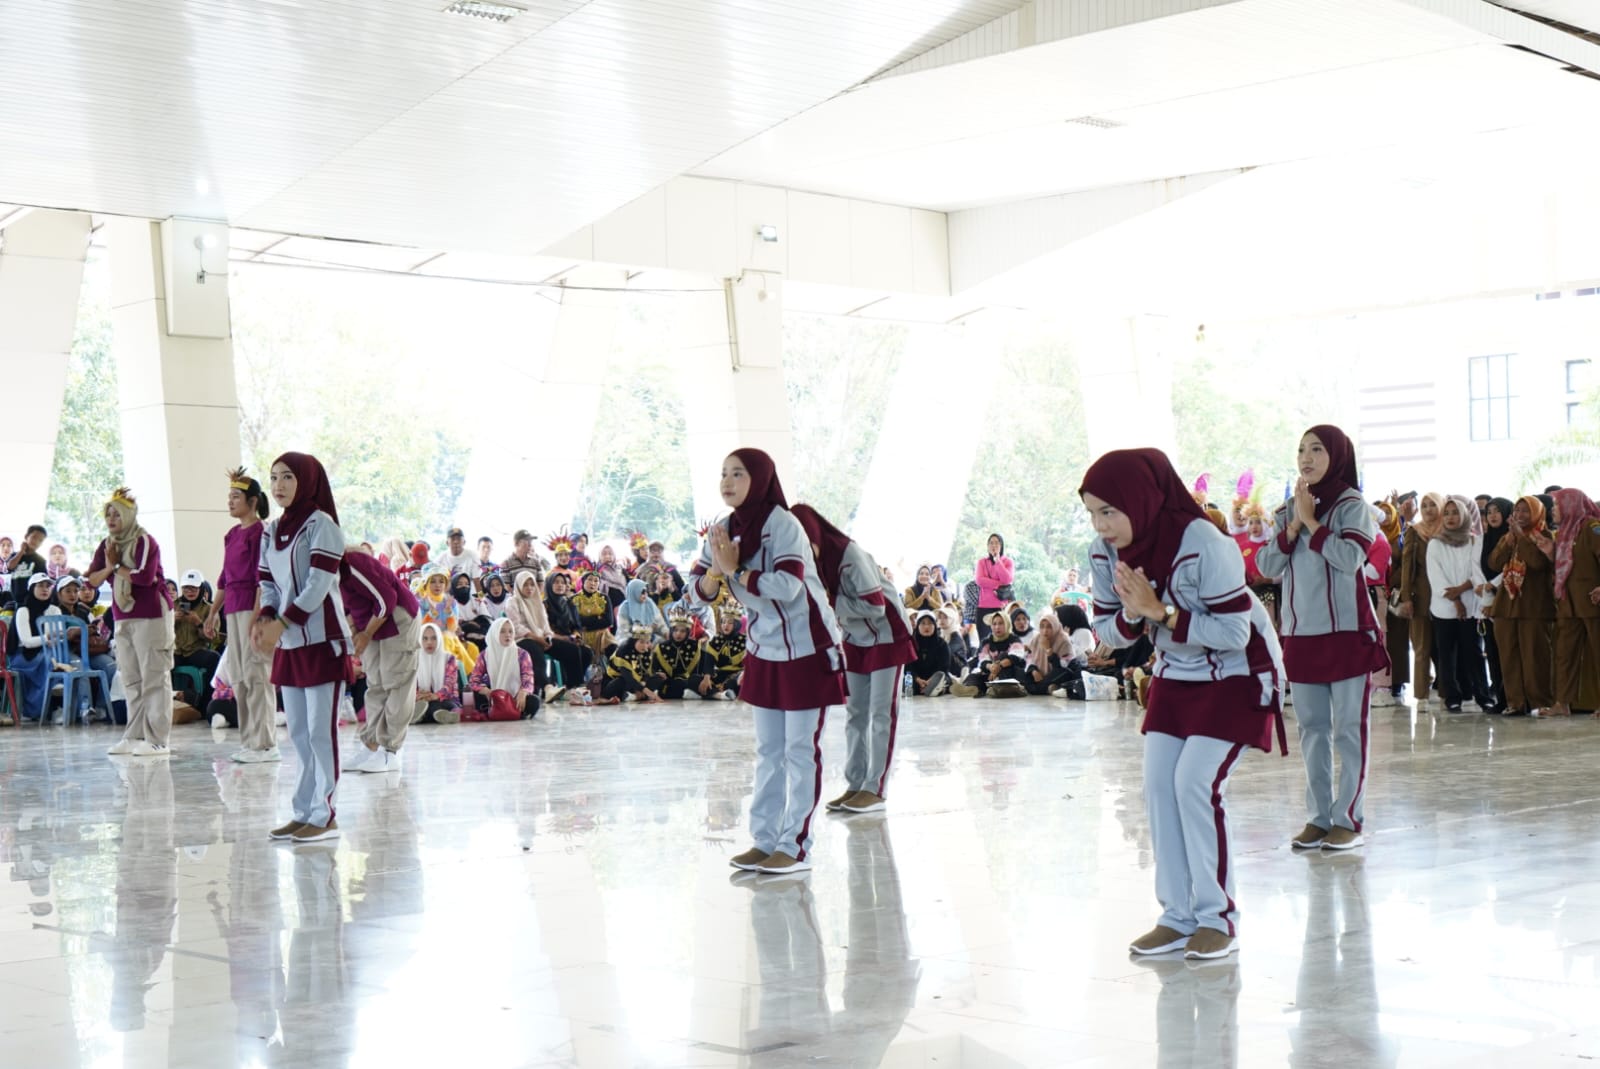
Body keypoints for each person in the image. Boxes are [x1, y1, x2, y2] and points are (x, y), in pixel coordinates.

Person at [1081, 448, 1284, 961]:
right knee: (1158, 788)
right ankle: (1177, 917)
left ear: (1141, 499)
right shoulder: (1104, 554)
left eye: (1109, 511)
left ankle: (1218, 919)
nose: (1101, 525)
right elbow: (1108, 630)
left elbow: (1235, 633)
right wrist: (1134, 615)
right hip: (1177, 671)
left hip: (1240, 671)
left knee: (1194, 784)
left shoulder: (1206, 544)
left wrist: (1160, 612)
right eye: (1092, 513)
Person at [688, 448, 846, 877]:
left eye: (738, 474)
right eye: (723, 473)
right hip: (764, 648)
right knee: (768, 751)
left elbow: (788, 587)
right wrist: (716, 573)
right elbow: (695, 592)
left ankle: (795, 847)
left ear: (759, 479)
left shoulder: (784, 525)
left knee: (799, 750)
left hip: (807, 646)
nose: (727, 481)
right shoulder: (721, 531)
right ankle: (764, 841)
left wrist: (735, 572)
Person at [1256, 426, 1386, 853]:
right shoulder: (1286, 511)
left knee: (1349, 730)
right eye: (1301, 450)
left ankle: (1348, 819)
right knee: (1312, 731)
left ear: (1338, 456)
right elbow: (1265, 566)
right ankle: (1318, 818)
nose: (1306, 458)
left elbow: (1350, 558)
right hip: (1301, 635)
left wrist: (1312, 523)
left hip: (1347, 633)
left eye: (1316, 449)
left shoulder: (1352, 506)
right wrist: (1295, 523)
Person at [789, 505, 917, 816]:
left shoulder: (851, 557)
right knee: (855, 713)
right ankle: (856, 783)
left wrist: (831, 601)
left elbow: (875, 606)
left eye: (805, 543)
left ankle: (875, 788)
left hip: (887, 636)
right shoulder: (809, 564)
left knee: (882, 713)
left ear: (815, 535)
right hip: (855, 638)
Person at [253, 453, 352, 844]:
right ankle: (304, 811)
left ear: (307, 481)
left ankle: (325, 815)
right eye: (274, 477)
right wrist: (266, 616)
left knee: (320, 732)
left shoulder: (321, 525)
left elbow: (317, 586)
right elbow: (267, 582)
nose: (278, 485)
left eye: (288, 477)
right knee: (297, 732)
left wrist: (281, 623)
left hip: (322, 642)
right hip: (290, 643)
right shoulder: (272, 530)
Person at [86, 489, 176, 757]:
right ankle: (134, 735)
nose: (111, 519)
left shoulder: (144, 541)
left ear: (128, 515)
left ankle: (158, 739)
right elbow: (91, 579)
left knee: (154, 677)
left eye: (117, 514)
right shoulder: (107, 545)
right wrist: (110, 566)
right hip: (122, 615)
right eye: (108, 514)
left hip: (151, 614)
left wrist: (115, 567)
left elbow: (144, 578)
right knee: (130, 678)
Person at [205, 468, 278, 762]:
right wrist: (213, 613)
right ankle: (249, 741)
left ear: (252, 501)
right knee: (239, 676)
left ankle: (266, 743)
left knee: (257, 673)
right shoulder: (232, 535)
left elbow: (264, 579)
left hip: (253, 605)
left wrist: (258, 617)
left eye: (236, 496)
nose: (230, 501)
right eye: (230, 496)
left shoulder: (261, 532)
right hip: (233, 607)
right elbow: (224, 578)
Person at [341, 545, 423, 772]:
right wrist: (355, 634)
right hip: (371, 622)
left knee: (396, 682)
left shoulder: (350, 563)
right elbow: (346, 607)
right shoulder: (323, 571)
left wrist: (365, 634)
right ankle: (371, 746)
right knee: (375, 683)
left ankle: (390, 751)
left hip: (397, 617)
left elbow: (387, 599)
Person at [1489, 496, 1555, 716]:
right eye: (1517, 510)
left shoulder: (1544, 535)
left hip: (1533, 607)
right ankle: (1515, 702)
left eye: (1526, 511)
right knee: (1509, 656)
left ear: (1537, 513)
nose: (1520, 515)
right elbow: (1494, 563)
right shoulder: (1508, 537)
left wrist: (1522, 538)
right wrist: (1508, 541)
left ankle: (1539, 702)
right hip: (1505, 605)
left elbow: (1538, 563)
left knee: (1535, 655)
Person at [1425, 497, 1490, 714]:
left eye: (1455, 513)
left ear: (1464, 515)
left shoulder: (1474, 541)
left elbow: (1476, 571)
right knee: (1446, 655)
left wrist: (1462, 590)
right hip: (1444, 607)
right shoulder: (1435, 544)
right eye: (1447, 513)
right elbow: (1436, 577)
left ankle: (1483, 696)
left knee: (1474, 653)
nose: (1451, 517)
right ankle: (1452, 697)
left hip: (1471, 605)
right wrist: (1455, 601)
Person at [1547, 488, 1600, 717]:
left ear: (1571, 506)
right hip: (1568, 604)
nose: (1553, 510)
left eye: (1557, 505)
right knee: (1564, 654)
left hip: (1592, 602)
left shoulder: (1592, 528)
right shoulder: (1563, 533)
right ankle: (1562, 703)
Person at [1398, 492, 1444, 702]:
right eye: (1424, 506)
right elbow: (1407, 567)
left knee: (1445, 648)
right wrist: (1406, 597)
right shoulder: (1415, 532)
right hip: (1421, 597)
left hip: (1446, 597)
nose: (1428, 509)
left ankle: (1447, 693)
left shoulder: (1448, 531)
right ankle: (1421, 696)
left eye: (1432, 505)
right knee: (1421, 649)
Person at [1477, 496, 1514, 709]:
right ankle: (1500, 698)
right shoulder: (1485, 539)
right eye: (1489, 512)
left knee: (1508, 652)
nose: (1492, 516)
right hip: (1488, 602)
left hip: (1508, 599)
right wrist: (1487, 595)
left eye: (1497, 511)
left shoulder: (1512, 538)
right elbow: (1480, 568)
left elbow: (1512, 566)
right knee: (1492, 651)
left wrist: (1492, 585)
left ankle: (1513, 698)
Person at [6, 573, 56, 721]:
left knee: (53, 658)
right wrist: (46, 639)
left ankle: (50, 708)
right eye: (40, 586)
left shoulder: (54, 610)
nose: (45, 589)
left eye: (48, 586)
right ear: (32, 588)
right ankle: (36, 710)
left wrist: (47, 639)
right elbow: (27, 641)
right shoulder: (23, 610)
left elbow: (57, 638)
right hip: (22, 655)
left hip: (45, 652)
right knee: (50, 661)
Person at [467, 618, 539, 718]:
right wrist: (485, 690)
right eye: (502, 631)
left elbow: (528, 678)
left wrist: (523, 692)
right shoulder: (485, 655)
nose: (507, 635)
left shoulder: (522, 654)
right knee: (475, 695)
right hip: (492, 696)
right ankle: (503, 712)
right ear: (494, 633)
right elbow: (474, 680)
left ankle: (507, 712)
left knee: (534, 701)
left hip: (514, 697)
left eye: (510, 631)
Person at [171, 569, 222, 707]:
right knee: (159, 662)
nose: (190, 592)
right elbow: (159, 632)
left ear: (201, 588)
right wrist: (170, 621)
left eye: (194, 588)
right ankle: (166, 702)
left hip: (196, 651)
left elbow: (213, 638)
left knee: (214, 658)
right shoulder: (172, 606)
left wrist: (199, 623)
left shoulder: (209, 609)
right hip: (176, 651)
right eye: (186, 588)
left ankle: (206, 704)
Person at [949, 610, 1027, 697]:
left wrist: (998, 666)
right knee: (975, 675)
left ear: (1007, 624)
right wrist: (991, 667)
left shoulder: (1014, 639)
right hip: (991, 674)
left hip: (1010, 674)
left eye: (1001, 623)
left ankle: (1001, 688)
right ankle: (972, 688)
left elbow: (1015, 657)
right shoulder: (986, 641)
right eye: (994, 624)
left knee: (1003, 656)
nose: (997, 627)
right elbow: (983, 659)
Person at [601, 625, 666, 703]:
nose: (644, 646)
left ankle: (636, 696)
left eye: (647, 642)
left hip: (636, 683)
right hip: (616, 682)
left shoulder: (646, 650)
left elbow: (645, 672)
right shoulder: (624, 651)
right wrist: (648, 692)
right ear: (634, 641)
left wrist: (644, 681)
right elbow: (628, 678)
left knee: (659, 677)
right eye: (641, 642)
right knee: (621, 681)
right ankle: (639, 695)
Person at [654, 610, 711, 698]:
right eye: (675, 630)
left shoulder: (695, 645)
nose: (678, 634)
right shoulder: (662, 647)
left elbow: (706, 665)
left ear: (688, 632)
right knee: (659, 681)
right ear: (671, 630)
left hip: (691, 680)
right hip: (669, 682)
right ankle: (691, 692)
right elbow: (654, 669)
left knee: (697, 680)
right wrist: (658, 673)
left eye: (682, 631)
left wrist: (706, 677)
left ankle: (718, 695)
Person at [414, 623, 462, 724]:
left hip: (444, 700)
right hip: (420, 701)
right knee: (420, 705)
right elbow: (410, 685)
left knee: (444, 705)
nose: (429, 642)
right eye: (425, 638)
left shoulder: (449, 658)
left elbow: (450, 683)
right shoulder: (414, 660)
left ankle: (420, 717)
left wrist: (436, 695)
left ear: (439, 639)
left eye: (434, 638)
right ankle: (434, 716)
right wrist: (418, 695)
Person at [1022, 611, 1076, 696]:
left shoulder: (1064, 640)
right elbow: (1029, 660)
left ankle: (1040, 688)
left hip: (1056, 674)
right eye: (1042, 627)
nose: (1045, 631)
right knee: (1024, 673)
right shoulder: (1036, 639)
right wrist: (1033, 671)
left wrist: (1048, 650)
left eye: (1049, 627)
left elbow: (1062, 666)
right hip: (1040, 676)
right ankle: (1048, 688)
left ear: (1055, 626)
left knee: (1064, 673)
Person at [973, 534, 1014, 642]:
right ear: (987, 546)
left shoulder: (1008, 562)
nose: (994, 545)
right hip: (984, 607)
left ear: (1001, 546)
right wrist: (999, 583)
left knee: (1002, 640)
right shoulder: (981, 562)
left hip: (1001, 607)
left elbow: (1007, 579)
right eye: (991, 543)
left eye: (997, 543)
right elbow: (979, 580)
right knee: (984, 642)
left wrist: (998, 561)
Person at [703, 606, 746, 699]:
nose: (726, 625)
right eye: (723, 622)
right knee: (696, 679)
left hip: (737, 674)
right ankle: (721, 695)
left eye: (730, 623)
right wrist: (706, 677)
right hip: (720, 674)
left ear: (737, 624)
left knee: (740, 680)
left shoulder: (744, 640)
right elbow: (709, 662)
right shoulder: (716, 640)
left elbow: (749, 664)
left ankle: (716, 693)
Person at [908, 610, 952, 697]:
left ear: (935, 626)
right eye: (923, 623)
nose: (926, 626)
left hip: (935, 678)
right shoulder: (911, 644)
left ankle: (934, 687)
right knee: (908, 681)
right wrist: (917, 679)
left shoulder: (942, 644)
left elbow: (943, 667)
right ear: (918, 626)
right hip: (917, 679)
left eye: (930, 623)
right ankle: (930, 689)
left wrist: (931, 681)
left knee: (944, 679)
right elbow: (908, 667)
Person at [596, 543, 628, 611]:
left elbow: (628, 584)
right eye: (604, 554)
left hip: (625, 603)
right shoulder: (597, 571)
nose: (608, 556)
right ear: (600, 557)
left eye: (610, 554)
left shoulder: (621, 569)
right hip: (608, 607)